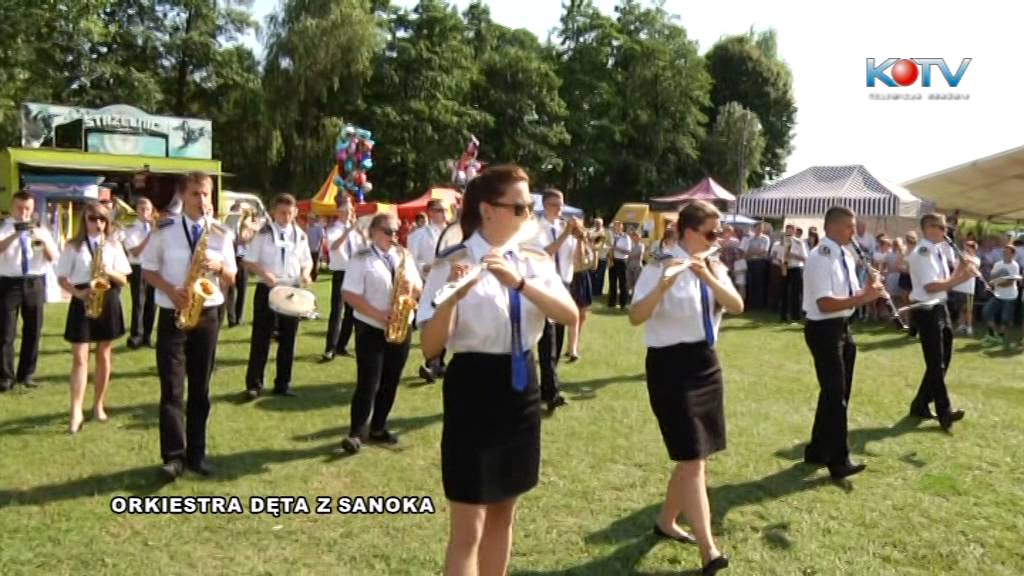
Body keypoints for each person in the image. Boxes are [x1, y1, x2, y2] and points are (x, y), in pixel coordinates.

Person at [417, 164, 577, 576]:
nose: (529, 215)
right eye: (521, 207)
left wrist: (521, 284)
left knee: (505, 510)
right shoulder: (450, 263)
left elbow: (569, 314)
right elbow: (430, 348)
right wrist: (452, 297)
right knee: (468, 524)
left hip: (521, 385)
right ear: (489, 210)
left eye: (530, 206)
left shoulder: (534, 261)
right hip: (473, 385)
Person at [628, 200, 741, 576]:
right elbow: (635, 316)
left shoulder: (714, 264)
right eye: (712, 232)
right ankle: (709, 550)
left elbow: (736, 306)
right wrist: (663, 285)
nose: (718, 238)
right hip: (670, 367)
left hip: (705, 363)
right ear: (689, 231)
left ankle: (665, 521)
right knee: (692, 458)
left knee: (695, 456)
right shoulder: (659, 265)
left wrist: (707, 274)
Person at [142, 172, 236, 478]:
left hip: (208, 315)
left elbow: (232, 276)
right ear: (183, 196)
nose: (202, 200)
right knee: (172, 388)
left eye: (206, 194)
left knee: (201, 389)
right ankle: (173, 456)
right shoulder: (164, 228)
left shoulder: (221, 233)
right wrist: (171, 290)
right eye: (196, 194)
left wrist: (220, 266)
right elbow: (148, 270)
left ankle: (197, 454)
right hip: (173, 313)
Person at [801, 206, 887, 480]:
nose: (854, 232)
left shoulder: (846, 255)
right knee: (835, 393)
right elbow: (825, 303)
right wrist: (865, 297)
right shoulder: (820, 256)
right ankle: (839, 459)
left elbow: (850, 294)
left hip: (843, 327)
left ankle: (817, 449)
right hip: (824, 329)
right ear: (834, 227)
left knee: (837, 393)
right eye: (850, 227)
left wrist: (869, 289)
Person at [340, 213, 422, 454]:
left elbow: (418, 287)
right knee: (368, 382)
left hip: (400, 325)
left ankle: (378, 427)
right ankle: (356, 432)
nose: (394, 236)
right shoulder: (361, 258)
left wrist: (411, 290)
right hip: (371, 328)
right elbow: (349, 293)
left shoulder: (403, 255)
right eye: (389, 232)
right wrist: (378, 315)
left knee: (391, 380)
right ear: (374, 232)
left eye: (397, 232)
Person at [56, 203, 132, 433]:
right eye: (92, 219)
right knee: (80, 357)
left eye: (102, 220)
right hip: (83, 298)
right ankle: (76, 410)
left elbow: (124, 279)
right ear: (84, 220)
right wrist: (78, 293)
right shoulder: (73, 246)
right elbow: (61, 278)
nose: (97, 224)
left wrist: (107, 270)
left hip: (107, 298)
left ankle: (98, 405)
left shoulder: (113, 245)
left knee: (104, 353)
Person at [906, 213, 971, 431]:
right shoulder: (923, 253)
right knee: (935, 363)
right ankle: (945, 411)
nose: (946, 232)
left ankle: (920, 404)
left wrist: (962, 268)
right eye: (942, 228)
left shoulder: (937, 251)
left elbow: (945, 281)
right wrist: (962, 277)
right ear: (929, 228)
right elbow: (931, 286)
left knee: (944, 358)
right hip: (927, 310)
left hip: (940, 306)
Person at [243, 193, 313, 398]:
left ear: (296, 212)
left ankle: (283, 383)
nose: (286, 217)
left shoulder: (300, 235)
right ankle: (254, 385)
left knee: (289, 340)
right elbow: (249, 261)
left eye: (290, 213)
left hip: (291, 290)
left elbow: (306, 260)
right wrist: (265, 274)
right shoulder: (264, 233)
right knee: (261, 339)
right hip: (268, 289)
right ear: (274, 212)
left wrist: (306, 273)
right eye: (282, 213)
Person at [0, 191, 59, 392]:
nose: (23, 212)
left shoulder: (41, 229)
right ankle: (5, 377)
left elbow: (53, 258)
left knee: (33, 330)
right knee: (5, 332)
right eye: (19, 208)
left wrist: (39, 241)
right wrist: (16, 233)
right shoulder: (4, 226)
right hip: (8, 283)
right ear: (11, 207)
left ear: (32, 209)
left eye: (27, 209)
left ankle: (26, 374)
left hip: (34, 281)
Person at [535, 189, 577, 413]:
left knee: (559, 337)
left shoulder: (563, 226)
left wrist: (581, 240)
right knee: (547, 338)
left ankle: (549, 384)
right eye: (554, 205)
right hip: (546, 284)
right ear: (544, 205)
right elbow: (546, 253)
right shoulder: (536, 228)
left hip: (565, 283)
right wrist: (565, 235)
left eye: (561, 204)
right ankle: (551, 391)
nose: (559, 209)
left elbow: (575, 260)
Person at [408, 199, 449, 381]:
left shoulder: (454, 232)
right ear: (430, 212)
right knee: (430, 322)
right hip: (428, 283)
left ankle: (440, 363)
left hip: (449, 283)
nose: (443, 213)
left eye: (445, 210)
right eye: (439, 210)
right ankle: (432, 363)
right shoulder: (419, 235)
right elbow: (412, 259)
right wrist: (423, 267)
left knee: (447, 322)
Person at [321, 197, 362, 362]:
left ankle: (342, 345)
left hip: (355, 272)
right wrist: (348, 231)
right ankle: (330, 347)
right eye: (347, 210)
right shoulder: (334, 229)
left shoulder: (355, 230)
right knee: (337, 311)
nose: (350, 213)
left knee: (352, 312)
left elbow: (362, 249)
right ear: (339, 212)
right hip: (341, 272)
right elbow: (333, 246)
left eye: (351, 210)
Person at [123, 197, 157, 348]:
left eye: (148, 209)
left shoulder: (156, 228)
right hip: (138, 267)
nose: (145, 213)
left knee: (152, 303)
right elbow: (135, 251)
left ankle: (147, 336)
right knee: (139, 303)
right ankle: (136, 335)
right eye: (142, 209)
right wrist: (150, 235)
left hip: (153, 268)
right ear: (137, 211)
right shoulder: (130, 229)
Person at [226, 205, 259, 327]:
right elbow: (237, 239)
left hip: (243, 259)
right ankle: (231, 319)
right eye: (236, 211)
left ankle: (239, 318)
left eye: (240, 211)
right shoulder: (230, 223)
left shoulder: (248, 224)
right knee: (230, 290)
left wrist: (250, 229)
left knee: (242, 289)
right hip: (230, 258)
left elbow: (245, 239)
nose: (238, 213)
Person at [981, 244, 1019, 347]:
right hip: (997, 295)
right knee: (986, 312)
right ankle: (992, 335)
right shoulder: (998, 264)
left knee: (1006, 319)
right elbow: (992, 277)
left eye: (1007, 252)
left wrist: (995, 283)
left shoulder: (1014, 266)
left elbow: (1010, 283)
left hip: (1010, 296)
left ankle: (1000, 337)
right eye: (1003, 252)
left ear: (1013, 254)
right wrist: (992, 283)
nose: (1004, 253)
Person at [779, 225, 807, 323]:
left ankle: (796, 316)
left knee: (796, 292)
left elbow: (804, 257)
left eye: (791, 230)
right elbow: (779, 256)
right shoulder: (782, 242)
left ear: (794, 231)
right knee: (785, 292)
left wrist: (792, 255)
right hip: (785, 267)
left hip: (796, 267)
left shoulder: (799, 242)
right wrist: (782, 266)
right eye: (787, 230)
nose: (789, 232)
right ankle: (784, 315)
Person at [951, 240, 979, 336]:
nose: (966, 249)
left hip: (968, 288)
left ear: (974, 249)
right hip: (958, 287)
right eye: (966, 247)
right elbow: (955, 267)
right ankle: (962, 325)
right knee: (960, 308)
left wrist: (967, 259)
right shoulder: (959, 258)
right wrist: (962, 259)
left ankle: (969, 327)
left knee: (968, 309)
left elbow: (973, 268)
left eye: (969, 247)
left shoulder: (976, 259)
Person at [745, 223, 771, 309]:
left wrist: (752, 252)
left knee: (759, 283)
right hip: (750, 262)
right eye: (758, 228)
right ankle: (750, 303)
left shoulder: (765, 238)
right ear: (754, 229)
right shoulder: (749, 239)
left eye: (761, 228)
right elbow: (746, 253)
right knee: (750, 282)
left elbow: (764, 251)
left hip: (760, 262)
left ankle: (759, 304)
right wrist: (756, 251)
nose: (759, 230)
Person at [607, 221, 633, 309]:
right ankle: (612, 303)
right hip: (612, 260)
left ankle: (623, 304)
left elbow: (628, 251)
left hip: (622, 261)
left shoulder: (626, 237)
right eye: (614, 226)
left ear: (621, 227)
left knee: (623, 283)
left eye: (616, 226)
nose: (614, 228)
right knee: (612, 283)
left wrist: (616, 248)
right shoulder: (611, 237)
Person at [589, 217, 609, 296]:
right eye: (596, 223)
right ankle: (591, 290)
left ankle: (598, 292)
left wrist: (603, 247)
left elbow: (610, 244)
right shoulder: (591, 231)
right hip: (592, 257)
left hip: (602, 257)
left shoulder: (606, 232)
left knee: (600, 275)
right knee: (592, 274)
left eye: (599, 223)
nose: (597, 225)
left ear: (602, 224)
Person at [306, 215, 326, 282]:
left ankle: (314, 277)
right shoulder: (307, 227)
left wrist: (321, 247)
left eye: (311, 219)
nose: (309, 220)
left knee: (315, 263)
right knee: (309, 262)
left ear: (314, 220)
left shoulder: (319, 227)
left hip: (316, 248)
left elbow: (322, 238)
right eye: (308, 219)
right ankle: (309, 275)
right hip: (308, 249)